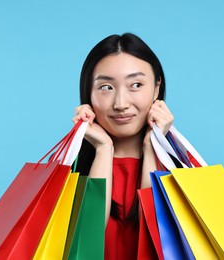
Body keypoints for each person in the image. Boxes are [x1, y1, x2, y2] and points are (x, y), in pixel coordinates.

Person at [72, 33, 174, 260]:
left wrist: (151, 147)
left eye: (136, 85)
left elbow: (156, 241)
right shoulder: (69, 172)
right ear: (88, 92)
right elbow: (86, 244)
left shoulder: (182, 172)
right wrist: (103, 149)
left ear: (157, 88)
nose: (120, 104)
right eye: (106, 87)